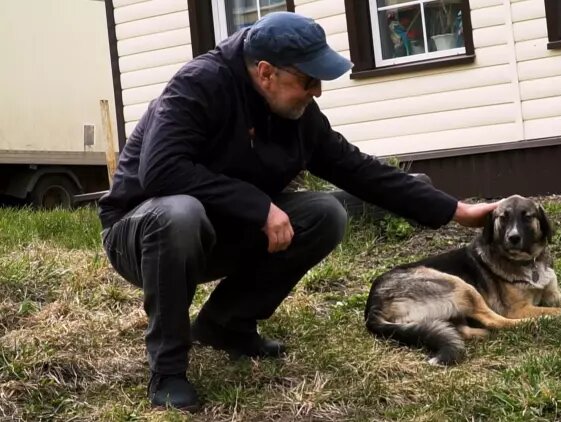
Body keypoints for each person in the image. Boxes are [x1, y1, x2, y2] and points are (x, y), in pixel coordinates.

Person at [98, 12, 497, 411]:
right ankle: (167, 370)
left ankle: (226, 324)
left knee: (325, 213)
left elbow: (356, 168)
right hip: (140, 232)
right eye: (308, 80)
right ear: (266, 73)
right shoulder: (199, 85)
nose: (317, 91)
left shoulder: (297, 115)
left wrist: (455, 210)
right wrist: (258, 206)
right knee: (180, 213)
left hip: (218, 230)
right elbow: (162, 170)